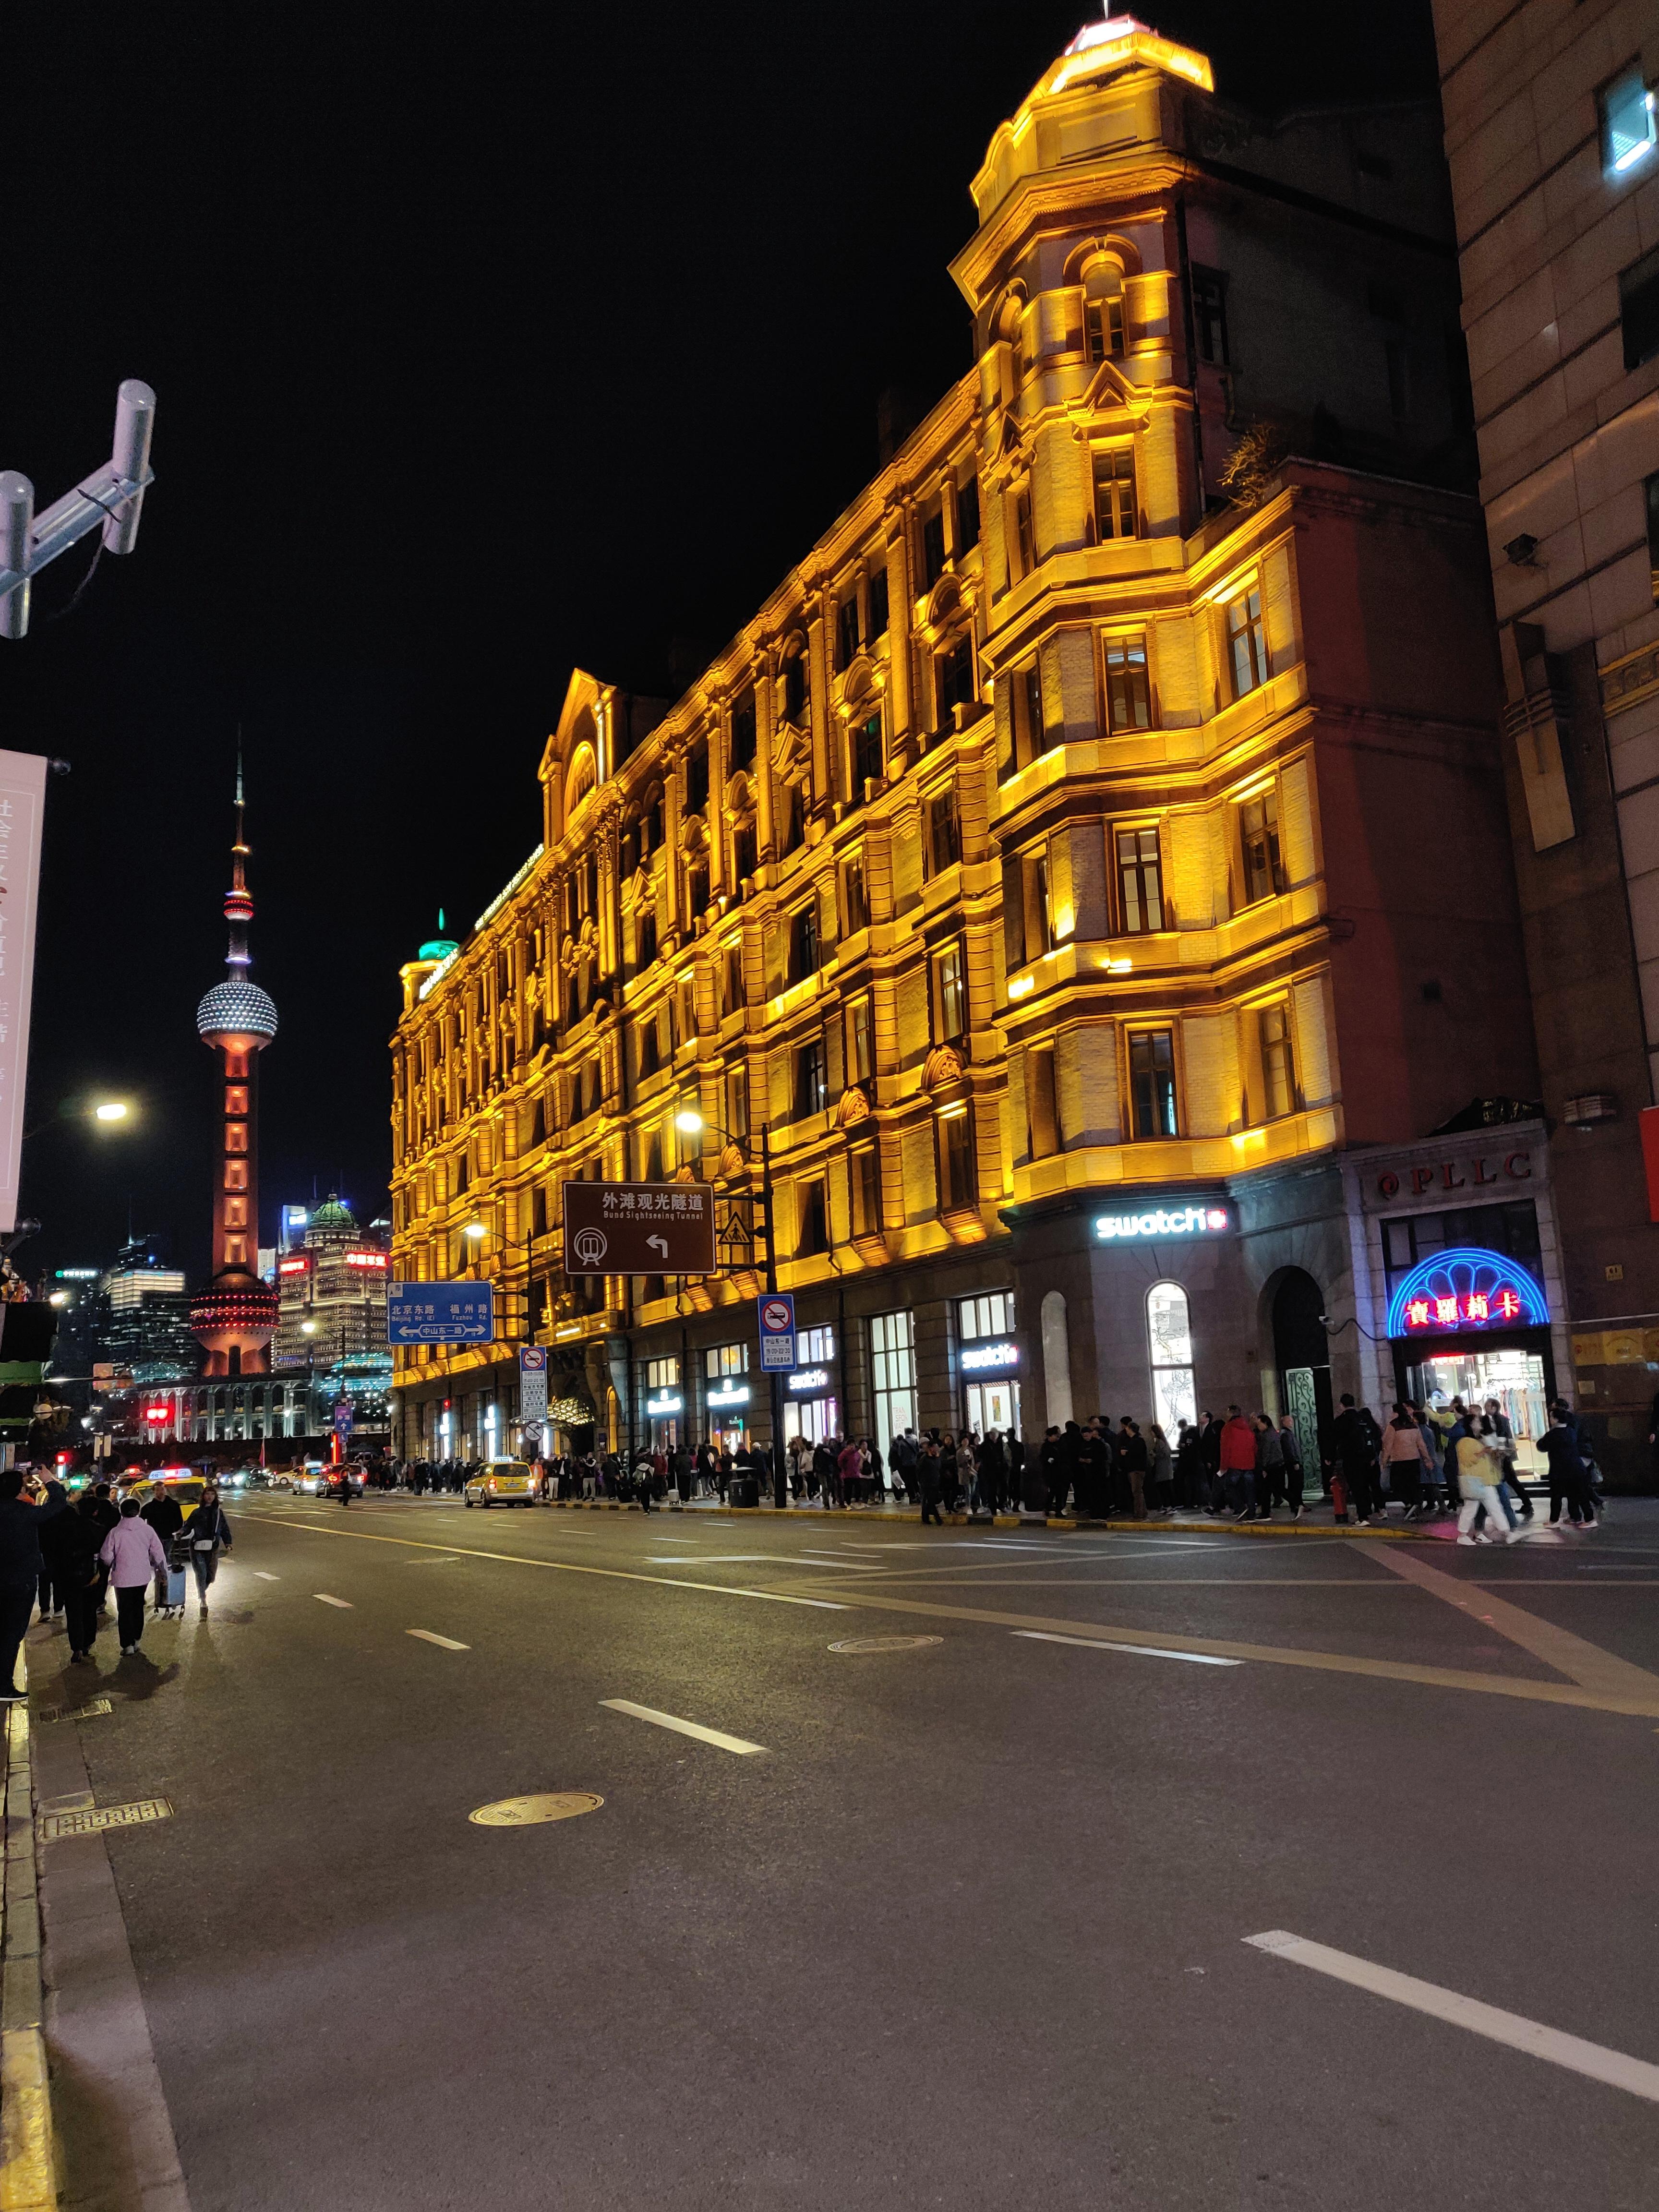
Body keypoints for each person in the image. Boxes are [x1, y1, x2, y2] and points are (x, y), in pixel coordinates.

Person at [0, 1472, 69, 1698]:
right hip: (21, 1580)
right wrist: (49, 1480)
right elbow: (58, 1504)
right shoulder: (25, 1513)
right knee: (13, 1633)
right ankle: (4, 1686)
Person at [98, 1498, 168, 1655]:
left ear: (121, 1512)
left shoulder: (115, 1532)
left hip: (122, 1577)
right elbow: (158, 1553)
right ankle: (137, 1640)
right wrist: (163, 1573)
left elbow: (106, 1555)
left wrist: (110, 1564)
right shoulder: (148, 1530)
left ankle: (127, 1645)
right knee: (138, 1608)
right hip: (142, 1576)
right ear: (138, 1512)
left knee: (124, 1610)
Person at [1454, 1413, 1525, 1546]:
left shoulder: (1480, 1440)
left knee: (1494, 1507)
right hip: (1474, 1480)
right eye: (1476, 1421)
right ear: (1470, 1425)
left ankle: (1506, 1533)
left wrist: (1497, 1454)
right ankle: (1463, 1535)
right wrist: (1484, 1452)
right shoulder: (1464, 1442)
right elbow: (1467, 1461)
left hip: (1484, 1481)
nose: (1479, 1423)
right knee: (1473, 1509)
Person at [1540, 1406, 1597, 1527]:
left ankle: (1554, 1520)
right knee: (1581, 1495)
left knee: (1556, 1496)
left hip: (1560, 1470)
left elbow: (1541, 1446)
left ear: (1556, 1419)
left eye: (1551, 1417)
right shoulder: (1571, 1431)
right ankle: (1590, 1519)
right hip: (1577, 1468)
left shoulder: (1553, 1434)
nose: (1550, 1419)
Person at [1331, 1394, 1383, 1525]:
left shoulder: (1341, 1421)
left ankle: (1363, 1516)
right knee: (1366, 1486)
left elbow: (1334, 1441)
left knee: (1357, 1487)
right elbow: (1374, 1436)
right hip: (1367, 1458)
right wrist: (1373, 1455)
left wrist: (1331, 1457)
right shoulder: (1363, 1418)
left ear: (1342, 1405)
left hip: (1351, 1459)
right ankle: (1367, 1512)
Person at [184, 1484, 233, 1616]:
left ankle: (202, 1591)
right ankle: (203, 1601)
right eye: (207, 1494)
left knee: (211, 1576)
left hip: (213, 1547)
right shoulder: (197, 1512)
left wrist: (228, 1542)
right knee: (202, 1573)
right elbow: (188, 1527)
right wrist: (180, 1533)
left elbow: (224, 1529)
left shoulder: (218, 1513)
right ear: (203, 1496)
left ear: (215, 1497)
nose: (209, 1497)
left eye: (212, 1494)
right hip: (197, 1548)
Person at [1379, 1402, 1432, 1521]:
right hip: (1414, 1459)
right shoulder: (1413, 1425)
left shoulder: (1393, 1426)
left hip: (1399, 1460)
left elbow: (1387, 1446)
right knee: (1413, 1484)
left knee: (1397, 1485)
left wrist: (1384, 1461)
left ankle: (1409, 1503)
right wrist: (1427, 1459)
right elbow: (1421, 1444)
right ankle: (1414, 1505)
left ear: (1395, 1413)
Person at [1218, 1405, 1257, 1518]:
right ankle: (1251, 1512)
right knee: (1250, 1489)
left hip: (1234, 1463)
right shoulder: (1248, 1427)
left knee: (1230, 1486)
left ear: (1231, 1413)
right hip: (1249, 1463)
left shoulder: (1228, 1428)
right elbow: (1254, 1447)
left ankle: (1241, 1508)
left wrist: (1223, 1466)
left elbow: (1225, 1448)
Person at [1275, 1415, 1305, 1519]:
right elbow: (1289, 1450)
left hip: (1293, 1463)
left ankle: (1297, 1505)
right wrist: (1295, 1462)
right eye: (1289, 1421)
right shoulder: (1286, 1435)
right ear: (1284, 1423)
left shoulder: (1288, 1434)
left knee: (1295, 1485)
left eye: (1292, 1420)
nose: (1291, 1422)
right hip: (1293, 1464)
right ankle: (1296, 1504)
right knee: (1295, 1485)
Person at [1147, 1421, 1174, 1515]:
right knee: (1165, 1488)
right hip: (1165, 1469)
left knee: (1164, 1488)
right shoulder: (1162, 1441)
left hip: (1163, 1469)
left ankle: (1168, 1506)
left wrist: (1155, 1455)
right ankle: (1167, 1506)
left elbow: (1166, 1454)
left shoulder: (1160, 1442)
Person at [917, 1437, 946, 1526]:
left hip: (935, 1482)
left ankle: (925, 1518)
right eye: (935, 1447)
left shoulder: (937, 1458)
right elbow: (918, 1471)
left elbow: (939, 1468)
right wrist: (921, 1482)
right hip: (927, 1483)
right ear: (930, 1448)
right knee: (930, 1501)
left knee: (930, 1501)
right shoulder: (925, 1459)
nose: (937, 1449)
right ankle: (938, 1519)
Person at [838, 1434, 864, 1509]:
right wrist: (844, 1468)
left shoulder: (856, 1453)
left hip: (856, 1474)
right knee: (848, 1489)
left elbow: (859, 1460)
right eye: (850, 1445)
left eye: (853, 1445)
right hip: (847, 1474)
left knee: (858, 1488)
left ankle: (857, 1501)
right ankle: (848, 1503)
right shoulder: (844, 1454)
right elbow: (840, 1462)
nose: (852, 1447)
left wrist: (859, 1467)